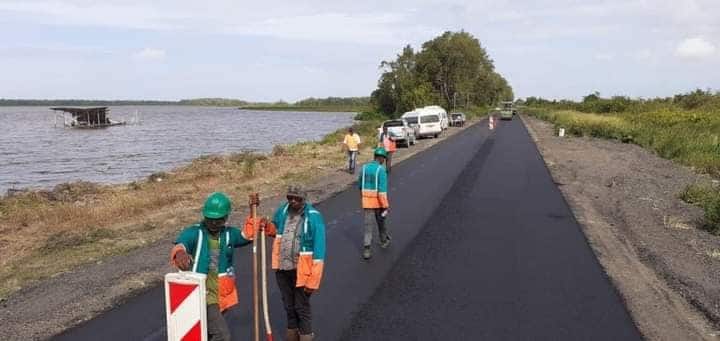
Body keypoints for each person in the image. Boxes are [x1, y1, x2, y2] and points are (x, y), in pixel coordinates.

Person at [170, 192, 254, 341]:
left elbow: (247, 236)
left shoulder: (228, 234)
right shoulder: (195, 232)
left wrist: (253, 211)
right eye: (210, 219)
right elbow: (181, 244)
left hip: (221, 293)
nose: (213, 223)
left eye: (218, 220)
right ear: (205, 216)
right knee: (222, 336)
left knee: (207, 333)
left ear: (225, 218)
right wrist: (180, 253)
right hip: (204, 295)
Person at [254, 185, 326, 341]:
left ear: (303, 200)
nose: (293, 201)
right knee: (289, 306)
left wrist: (313, 281)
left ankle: (306, 336)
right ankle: (292, 336)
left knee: (301, 307)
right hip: (282, 268)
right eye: (290, 198)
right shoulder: (283, 211)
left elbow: (319, 252)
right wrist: (266, 225)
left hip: (302, 271)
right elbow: (275, 230)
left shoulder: (314, 217)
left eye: (297, 199)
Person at [358, 147, 391, 260]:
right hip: (378, 203)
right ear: (381, 158)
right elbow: (382, 191)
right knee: (381, 223)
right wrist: (385, 206)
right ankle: (384, 240)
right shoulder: (380, 170)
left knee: (368, 227)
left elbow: (359, 185)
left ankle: (367, 249)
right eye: (384, 159)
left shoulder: (364, 168)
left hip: (366, 203)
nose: (383, 161)